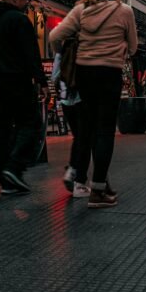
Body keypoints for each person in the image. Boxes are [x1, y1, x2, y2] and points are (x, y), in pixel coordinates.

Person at [49, 0, 137, 209]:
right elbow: (134, 46)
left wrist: (66, 50)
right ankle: (98, 189)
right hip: (110, 73)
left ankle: (95, 185)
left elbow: (54, 37)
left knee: (87, 128)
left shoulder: (80, 10)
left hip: (84, 74)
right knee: (105, 130)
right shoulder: (125, 10)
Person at [0, 0, 46, 196]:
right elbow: (31, 53)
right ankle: (14, 167)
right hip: (18, 81)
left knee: (2, 129)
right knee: (32, 124)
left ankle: (5, 179)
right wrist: (41, 81)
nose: (27, 2)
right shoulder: (19, 20)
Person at [51, 50, 90, 198]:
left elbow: (54, 75)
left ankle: (72, 170)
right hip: (82, 98)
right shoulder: (85, 45)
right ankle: (78, 180)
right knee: (85, 138)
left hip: (66, 98)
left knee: (78, 136)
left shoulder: (62, 49)